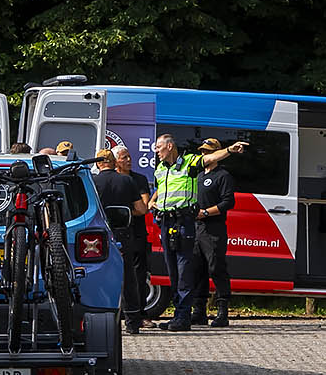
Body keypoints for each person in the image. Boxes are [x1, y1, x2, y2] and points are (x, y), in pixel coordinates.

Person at [150, 133, 245, 331]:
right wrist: (154, 205)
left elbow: (210, 160)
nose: (155, 151)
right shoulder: (160, 168)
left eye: (158, 147)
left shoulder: (190, 164)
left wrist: (229, 150)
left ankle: (184, 316)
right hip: (167, 223)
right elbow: (160, 191)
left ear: (169, 146)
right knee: (174, 271)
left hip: (186, 221)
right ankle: (183, 313)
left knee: (187, 270)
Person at [92, 144, 150, 335]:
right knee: (128, 278)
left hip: (97, 235)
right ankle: (133, 322)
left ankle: (95, 319)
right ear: (113, 162)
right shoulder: (126, 181)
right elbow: (142, 209)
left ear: (99, 164)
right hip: (123, 234)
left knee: (96, 276)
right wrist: (125, 211)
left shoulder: (92, 182)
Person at [190, 138, 237, 327]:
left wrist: (207, 212)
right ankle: (199, 311)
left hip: (213, 228)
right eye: (202, 151)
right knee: (197, 269)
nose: (204, 155)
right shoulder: (198, 175)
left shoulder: (222, 176)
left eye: (208, 151)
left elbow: (228, 202)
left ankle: (222, 311)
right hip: (197, 228)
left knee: (216, 268)